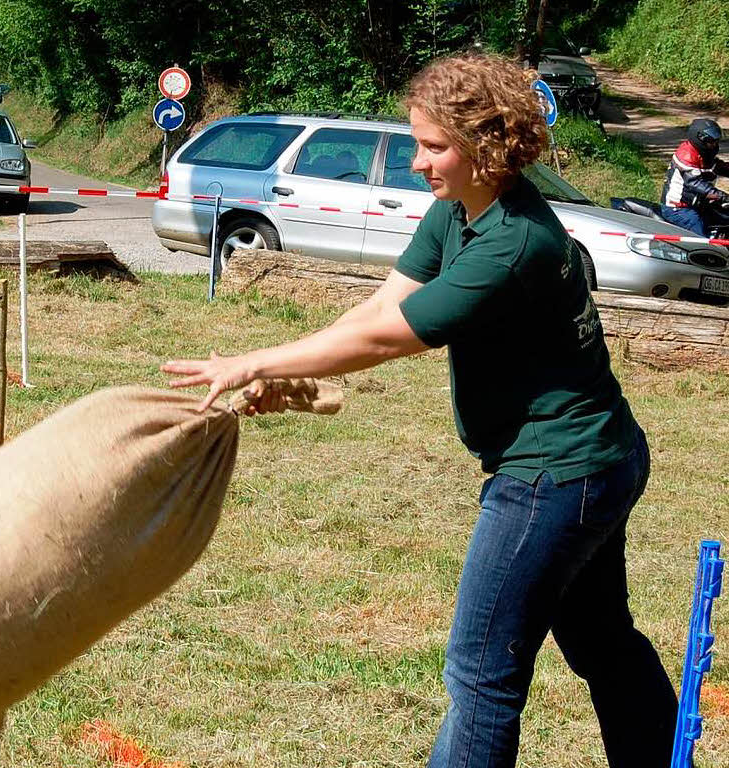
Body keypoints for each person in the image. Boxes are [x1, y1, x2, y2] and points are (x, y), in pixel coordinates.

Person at [162, 54, 679, 768]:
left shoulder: (514, 243)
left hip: (555, 475)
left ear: (488, 147)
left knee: (482, 677)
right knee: (601, 641)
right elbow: (381, 304)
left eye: (434, 146)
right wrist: (292, 370)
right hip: (598, 459)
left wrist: (255, 361)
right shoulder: (460, 212)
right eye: (417, 142)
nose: (416, 163)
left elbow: (385, 339)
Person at [660, 118, 729, 235]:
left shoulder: (704, 154)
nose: (714, 144)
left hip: (698, 204)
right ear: (700, 139)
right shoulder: (686, 155)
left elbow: (717, 167)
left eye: (716, 141)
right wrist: (722, 196)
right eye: (711, 141)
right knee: (702, 241)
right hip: (679, 209)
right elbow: (696, 183)